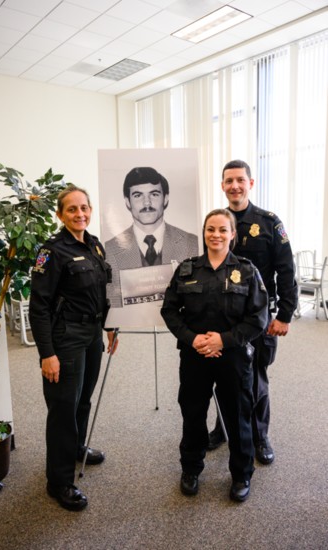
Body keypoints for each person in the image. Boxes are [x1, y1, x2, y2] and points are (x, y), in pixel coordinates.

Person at [161, 209, 268, 502]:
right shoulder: (187, 269)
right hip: (195, 355)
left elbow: (258, 317)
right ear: (204, 232)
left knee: (237, 416)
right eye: (211, 229)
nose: (216, 235)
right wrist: (192, 338)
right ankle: (191, 468)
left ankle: (241, 474)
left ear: (233, 234)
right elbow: (169, 310)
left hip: (232, 357)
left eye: (223, 230)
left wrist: (223, 340)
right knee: (193, 414)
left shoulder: (247, 271)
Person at [29, 184, 118, 511]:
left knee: (83, 399)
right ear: (60, 214)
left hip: (92, 332)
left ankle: (77, 447)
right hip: (65, 338)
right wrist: (47, 354)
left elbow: (101, 293)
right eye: (72, 209)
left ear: (90, 210)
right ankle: (60, 481)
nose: (80, 214)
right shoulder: (51, 251)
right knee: (63, 407)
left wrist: (107, 327)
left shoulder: (94, 246)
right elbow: (38, 306)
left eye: (84, 208)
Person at [207, 160, 298, 465]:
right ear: (222, 185)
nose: (234, 186)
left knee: (256, 378)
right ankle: (222, 428)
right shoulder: (216, 223)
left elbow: (286, 269)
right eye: (228, 181)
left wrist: (284, 314)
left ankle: (260, 436)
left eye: (240, 180)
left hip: (260, 318)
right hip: (224, 317)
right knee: (223, 376)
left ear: (251, 183)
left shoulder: (269, 222)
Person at [105, 167, 199, 307]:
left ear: (165, 199)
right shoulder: (110, 249)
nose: (147, 203)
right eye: (138, 195)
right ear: (127, 202)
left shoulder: (192, 243)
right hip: (132, 327)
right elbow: (113, 303)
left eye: (154, 194)